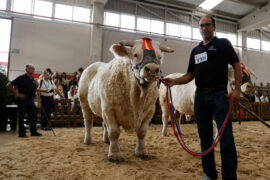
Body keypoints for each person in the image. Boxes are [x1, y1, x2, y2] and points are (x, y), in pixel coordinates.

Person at [162, 15, 241, 180]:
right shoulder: (196, 51)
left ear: (213, 27)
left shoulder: (223, 44)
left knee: (225, 138)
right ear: (199, 29)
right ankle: (210, 174)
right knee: (205, 137)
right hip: (200, 97)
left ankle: (229, 177)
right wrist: (175, 81)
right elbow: (190, 75)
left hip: (220, 95)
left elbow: (236, 64)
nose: (204, 28)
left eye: (207, 25)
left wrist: (238, 89)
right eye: (201, 25)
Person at [6, 64, 42, 137]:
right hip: (23, 99)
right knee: (22, 116)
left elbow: (34, 89)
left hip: (31, 99)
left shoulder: (32, 79)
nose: (33, 70)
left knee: (33, 116)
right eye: (32, 69)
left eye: (33, 69)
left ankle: (33, 131)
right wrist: (16, 94)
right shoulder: (21, 78)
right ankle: (22, 133)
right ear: (27, 70)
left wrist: (37, 84)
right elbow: (8, 85)